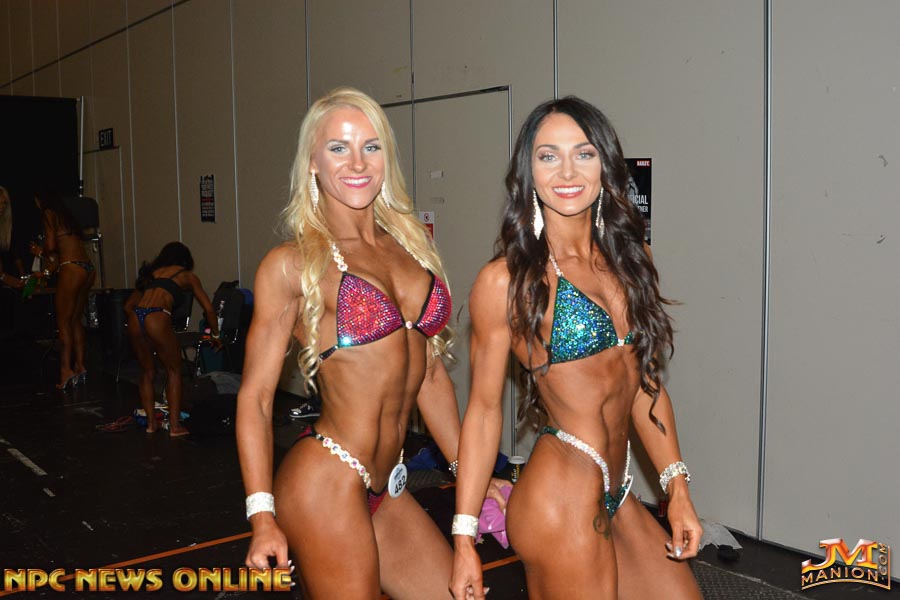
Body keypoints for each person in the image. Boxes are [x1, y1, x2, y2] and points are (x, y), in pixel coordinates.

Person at [236, 87, 504, 599]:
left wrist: (467, 472)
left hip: (387, 485)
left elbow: (428, 374)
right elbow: (256, 397)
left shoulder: (411, 248)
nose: (357, 163)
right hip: (325, 481)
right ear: (312, 162)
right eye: (338, 148)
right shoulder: (292, 264)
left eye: (371, 146)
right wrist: (261, 514)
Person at [450, 97, 703, 599]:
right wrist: (464, 537)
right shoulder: (507, 281)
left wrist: (677, 489)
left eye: (583, 154)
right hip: (558, 494)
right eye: (548, 156)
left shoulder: (633, 259)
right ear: (528, 171)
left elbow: (645, 385)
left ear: (605, 165)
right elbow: (482, 411)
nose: (567, 172)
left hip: (617, 489)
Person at [125, 241, 221, 436]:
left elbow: (128, 306)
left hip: (136, 317)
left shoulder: (151, 274)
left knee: (147, 371)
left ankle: (151, 424)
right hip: (157, 316)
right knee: (174, 370)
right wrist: (215, 334)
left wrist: (145, 330)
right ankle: (175, 427)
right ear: (186, 260)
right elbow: (209, 309)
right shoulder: (187, 276)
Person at [28, 189, 96, 389]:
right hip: (87, 268)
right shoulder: (66, 217)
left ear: (40, 200)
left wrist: (40, 251)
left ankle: (65, 370)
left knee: (63, 323)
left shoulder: (48, 213)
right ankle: (80, 366)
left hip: (71, 267)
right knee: (75, 320)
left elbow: (51, 246)